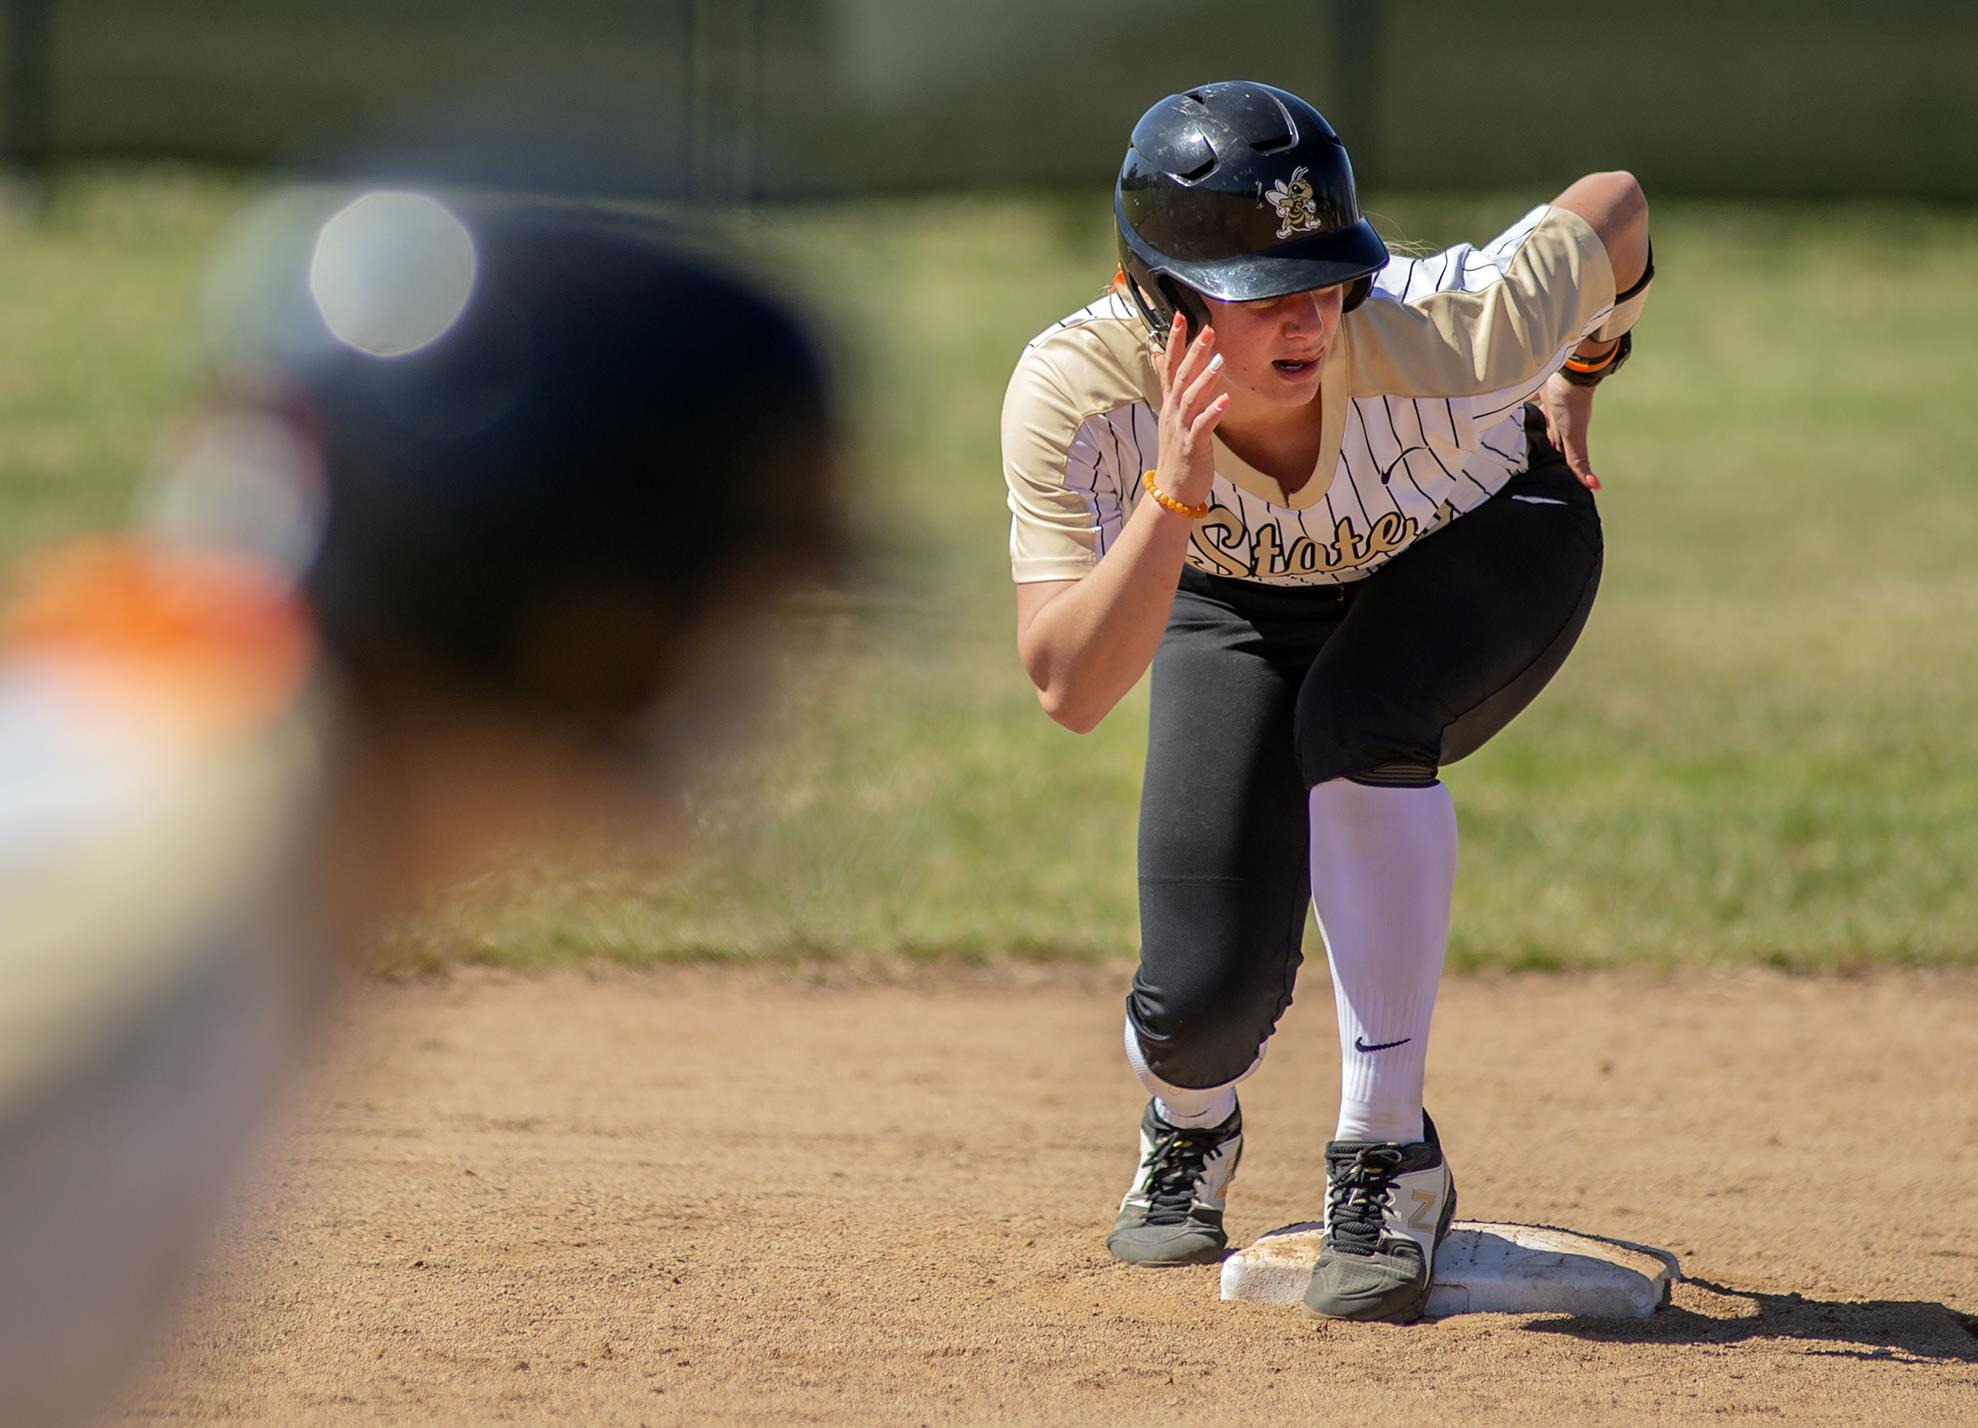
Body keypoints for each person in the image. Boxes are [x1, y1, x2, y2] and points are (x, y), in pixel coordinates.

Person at [0, 185, 839, 1426]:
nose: (754, 680)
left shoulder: (240, 797)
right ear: (582, 622)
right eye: (736, 606)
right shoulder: (158, 933)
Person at [1000, 80, 1652, 1322]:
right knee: (1193, 1013)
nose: (1305, 319)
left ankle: (1385, 1157)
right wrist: (1170, 495)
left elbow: (1613, 208)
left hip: (1472, 541)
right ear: (1155, 293)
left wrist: (1579, 363)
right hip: (1229, 590)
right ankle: (1188, 1122)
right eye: (1259, 293)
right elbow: (1070, 687)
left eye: (1322, 278)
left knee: (1357, 727)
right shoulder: (1076, 393)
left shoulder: (1447, 328)